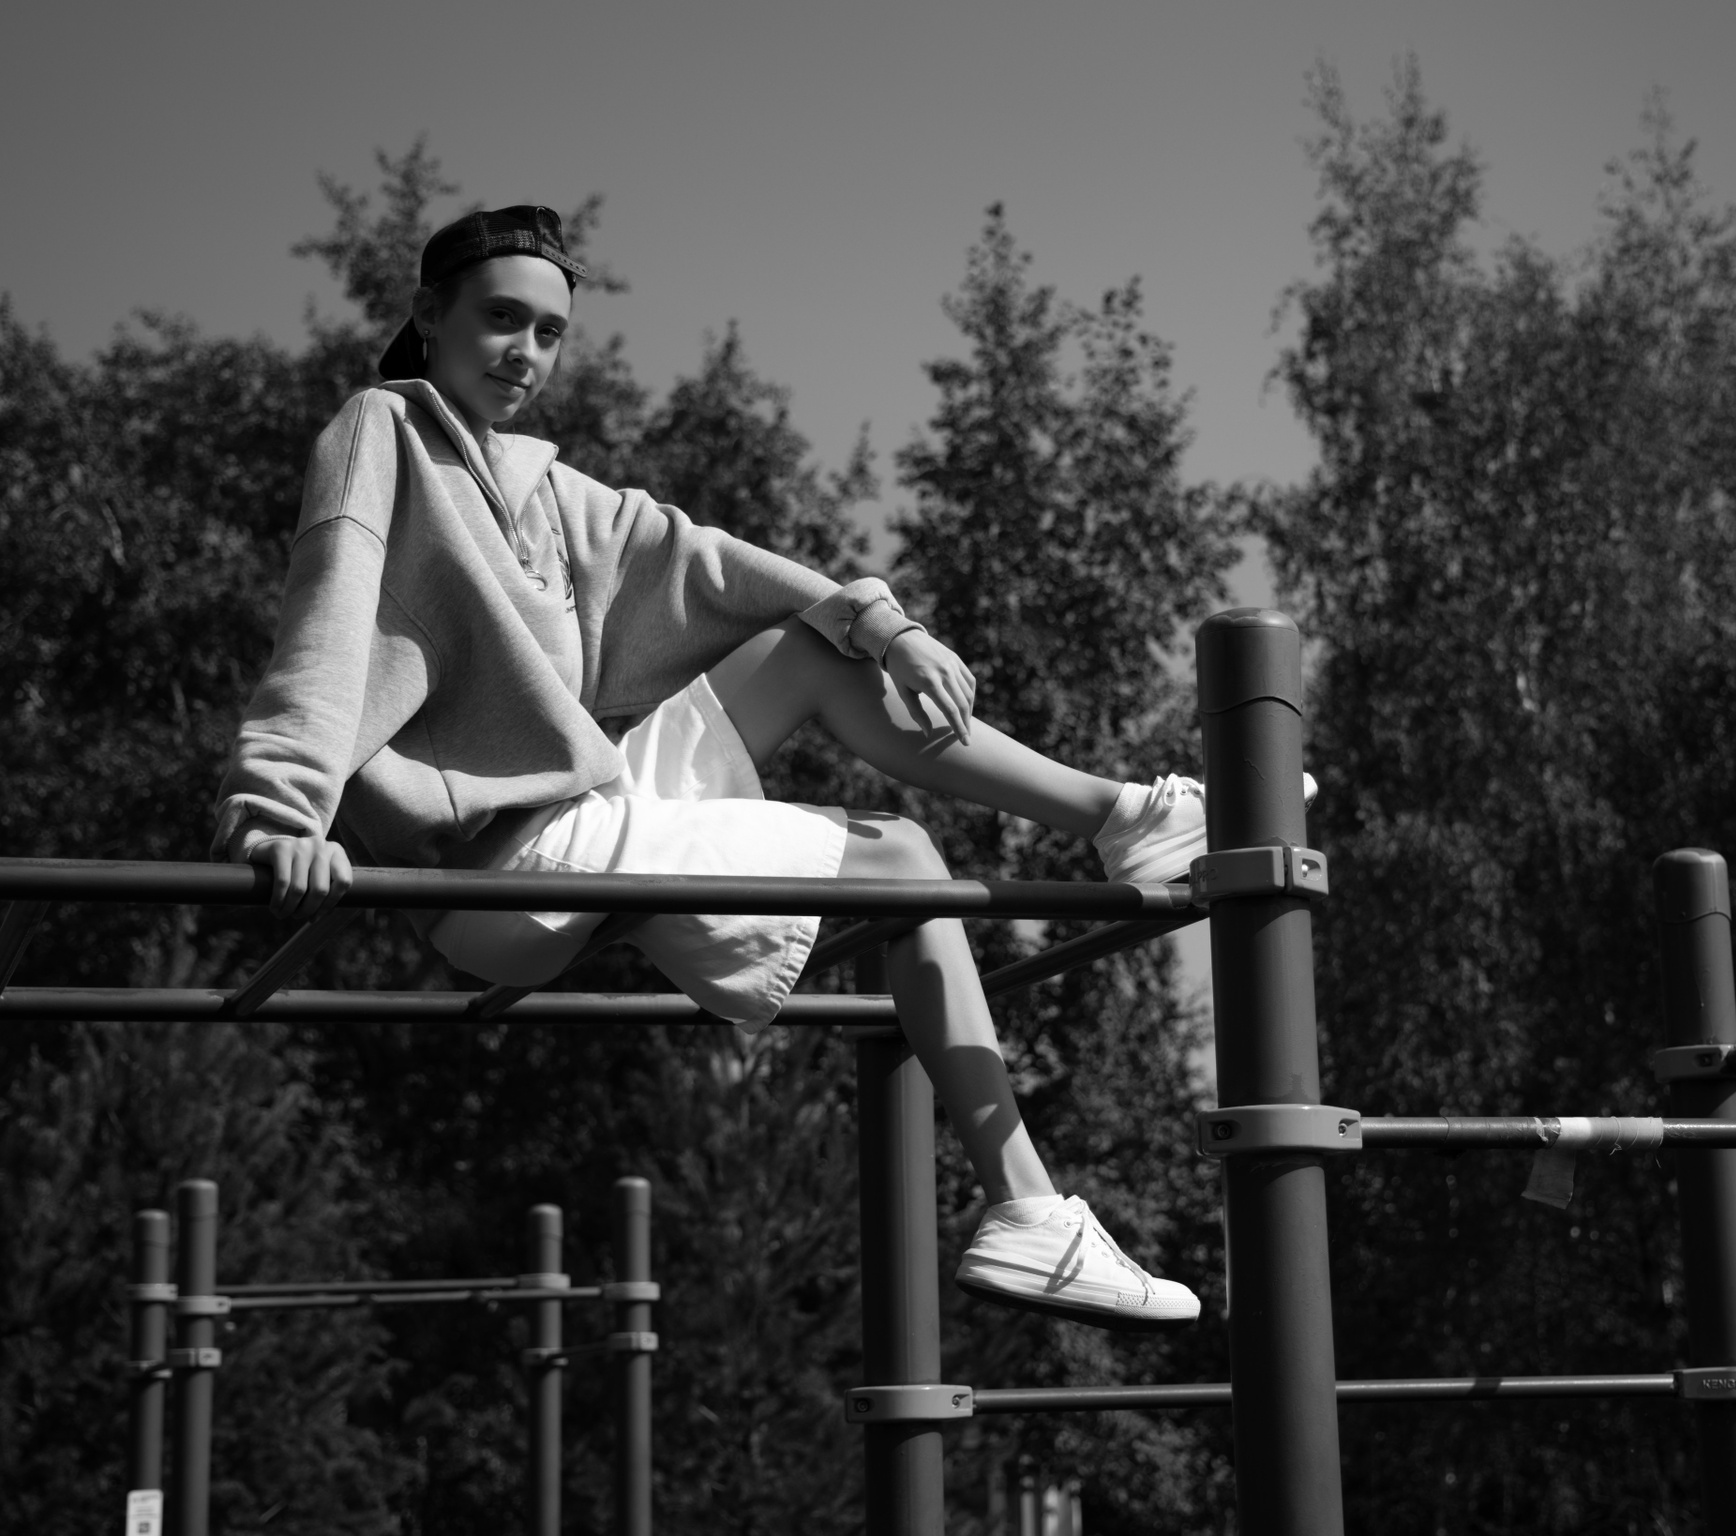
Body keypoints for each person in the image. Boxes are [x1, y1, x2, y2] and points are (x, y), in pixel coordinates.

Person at [215, 205, 1280, 1332]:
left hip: (586, 810)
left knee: (810, 646)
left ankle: (1122, 818)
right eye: (501, 320)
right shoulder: (382, 430)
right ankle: (1028, 1209)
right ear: (430, 316)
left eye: (549, 333)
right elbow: (328, 625)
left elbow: (712, 564)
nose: (526, 353)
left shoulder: (545, 493)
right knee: (904, 861)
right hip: (503, 864)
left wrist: (885, 626)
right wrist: (282, 813)